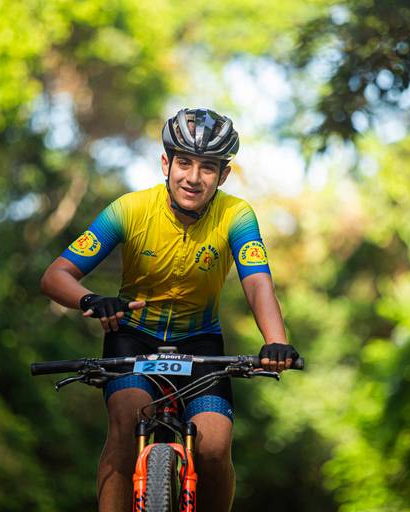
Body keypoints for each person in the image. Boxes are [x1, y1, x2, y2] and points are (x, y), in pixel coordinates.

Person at [40, 107, 299, 511]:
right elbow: (56, 275)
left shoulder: (236, 215)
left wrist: (276, 340)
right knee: (126, 425)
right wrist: (90, 299)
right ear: (166, 163)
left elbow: (256, 281)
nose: (193, 177)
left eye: (208, 167)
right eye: (184, 163)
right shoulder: (129, 210)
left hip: (201, 343)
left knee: (213, 446)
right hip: (132, 338)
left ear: (223, 175)